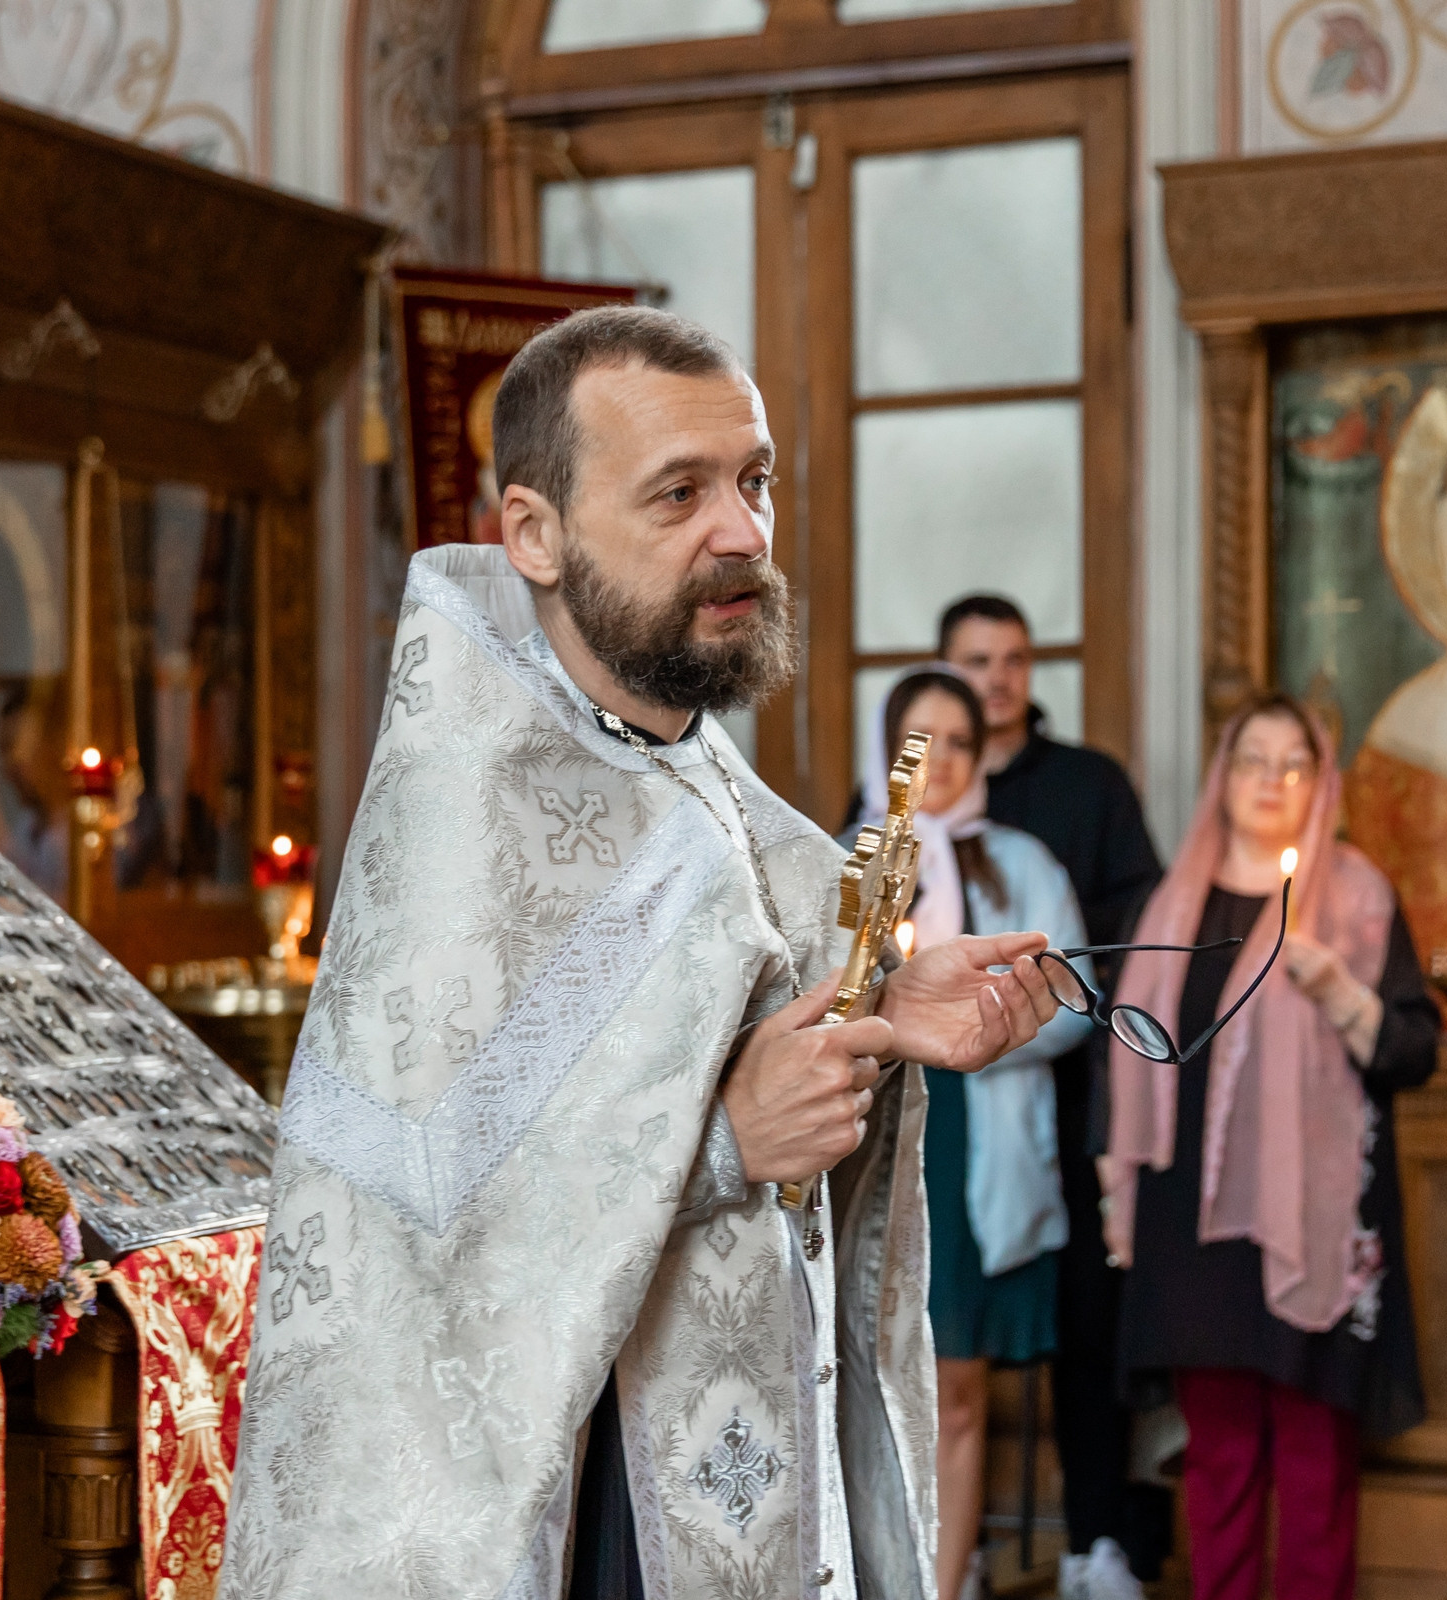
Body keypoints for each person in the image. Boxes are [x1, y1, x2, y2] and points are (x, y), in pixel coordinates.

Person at [223, 307, 1064, 1600]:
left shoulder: (683, 764)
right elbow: (425, 1251)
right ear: (534, 535)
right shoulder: (470, 829)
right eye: (679, 493)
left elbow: (705, 1033)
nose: (741, 532)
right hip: (585, 1523)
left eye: (755, 482)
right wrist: (727, 1143)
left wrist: (885, 1005)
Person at [1103, 692, 1440, 1600]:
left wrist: (1337, 989)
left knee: (1312, 1454)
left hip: (1313, 1214)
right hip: (1192, 1222)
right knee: (1218, 1461)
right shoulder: (1175, 899)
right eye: (1254, 759)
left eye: (1294, 764)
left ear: (1320, 783)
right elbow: (1130, 1056)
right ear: (1223, 775)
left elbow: (1412, 1052)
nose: (1271, 781)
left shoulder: (1355, 897)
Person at [939, 594, 1169, 1600]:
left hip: (1067, 1103)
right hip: (932, 1118)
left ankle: (1094, 1539)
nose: (997, 677)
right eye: (976, 661)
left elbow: (1126, 948)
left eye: (1014, 659)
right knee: (942, 1348)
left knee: (1081, 1329)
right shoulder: (898, 806)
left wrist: (1002, 1030)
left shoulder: (1081, 790)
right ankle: (946, 1544)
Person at [859, 666, 1093, 1600]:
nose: (940, 760)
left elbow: (1079, 1002)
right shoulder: (845, 855)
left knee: (958, 1384)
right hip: (877, 1138)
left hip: (976, 1137)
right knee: (868, 1374)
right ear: (888, 751)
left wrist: (983, 1029)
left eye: (959, 741)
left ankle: (945, 1585)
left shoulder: (1024, 863)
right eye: (920, 740)